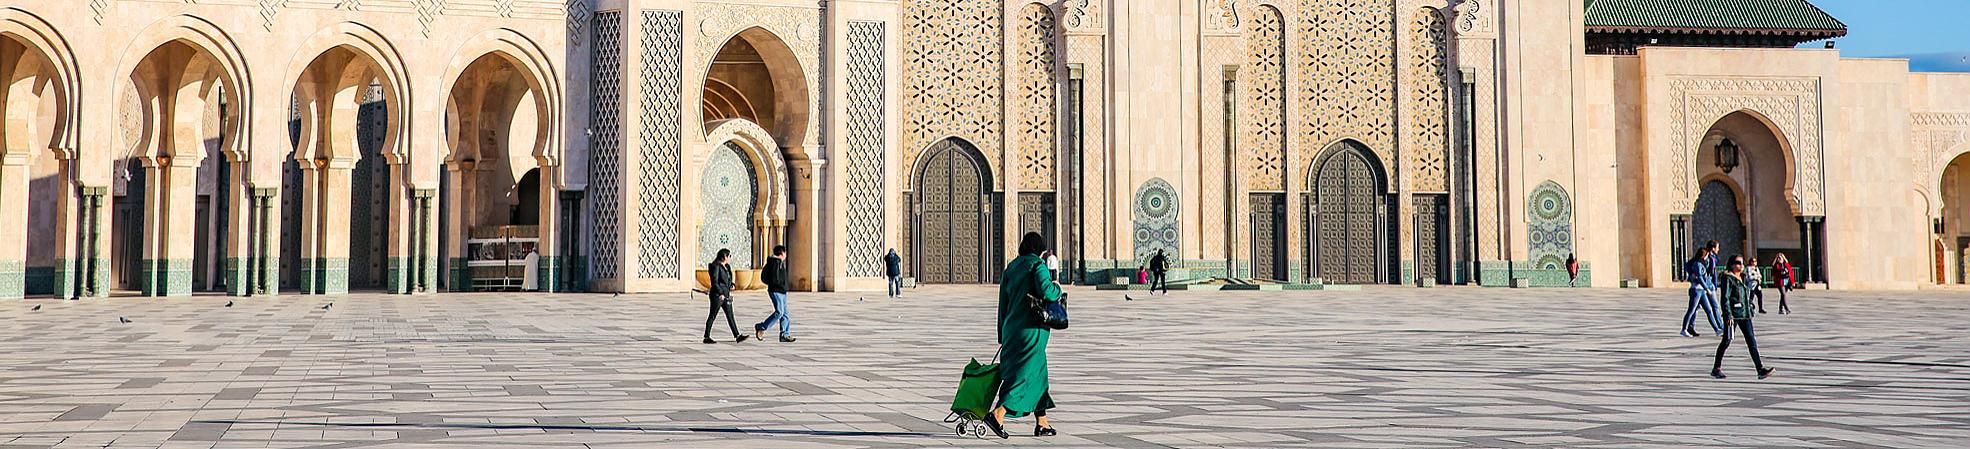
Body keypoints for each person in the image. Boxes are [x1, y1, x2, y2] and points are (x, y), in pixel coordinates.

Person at [982, 232, 1063, 439]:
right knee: (1024, 373)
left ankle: (1042, 422)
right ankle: (999, 414)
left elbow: (1003, 304)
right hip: (1031, 331)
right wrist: (1057, 289)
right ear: (1039, 250)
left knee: (1038, 374)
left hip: (1012, 329)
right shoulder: (1037, 265)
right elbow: (1047, 291)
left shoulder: (1012, 267)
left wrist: (1002, 333)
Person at [1712, 256, 1776, 380]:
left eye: (1742, 263)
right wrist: (1727, 314)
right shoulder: (1728, 278)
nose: (1741, 265)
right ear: (1731, 264)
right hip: (1733, 314)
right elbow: (1725, 298)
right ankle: (1716, 368)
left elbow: (1747, 295)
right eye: (1737, 263)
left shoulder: (1743, 277)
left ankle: (1760, 369)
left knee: (1751, 341)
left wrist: (1751, 306)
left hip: (1745, 314)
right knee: (1727, 340)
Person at [702, 249, 750, 344]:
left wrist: (731, 284)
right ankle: (706, 337)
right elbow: (715, 282)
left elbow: (727, 279)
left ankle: (737, 336)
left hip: (726, 294)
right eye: (729, 256)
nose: (730, 258)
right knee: (712, 315)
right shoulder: (715, 267)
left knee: (730, 316)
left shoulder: (727, 267)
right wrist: (720, 293)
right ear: (724, 257)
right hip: (717, 295)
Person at [754, 245, 794, 342]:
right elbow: (775, 278)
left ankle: (785, 334)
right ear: (782, 253)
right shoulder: (775, 263)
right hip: (776, 290)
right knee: (779, 312)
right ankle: (762, 327)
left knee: (785, 314)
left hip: (782, 291)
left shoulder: (779, 263)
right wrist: (779, 285)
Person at [1681, 246, 1724, 338]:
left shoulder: (1704, 263)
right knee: (1691, 310)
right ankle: (1684, 329)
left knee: (1708, 310)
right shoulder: (1697, 264)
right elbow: (1700, 277)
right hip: (1696, 289)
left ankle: (1717, 329)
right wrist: (1707, 288)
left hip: (1702, 290)